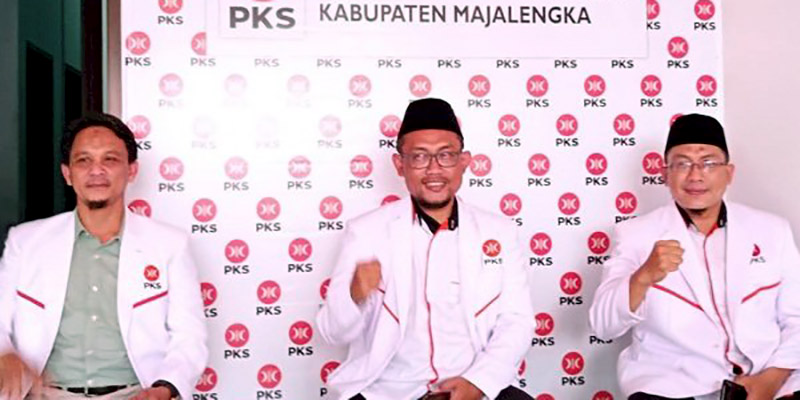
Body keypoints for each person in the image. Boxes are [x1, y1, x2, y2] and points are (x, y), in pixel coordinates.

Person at [317, 98, 534, 400]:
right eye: (419, 157)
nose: (434, 169)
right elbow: (332, 331)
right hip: (387, 391)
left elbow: (517, 321)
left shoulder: (499, 231)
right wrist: (353, 296)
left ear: (464, 161)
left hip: (474, 386)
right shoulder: (366, 232)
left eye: (446, 156)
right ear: (400, 165)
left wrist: (477, 383)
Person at [589, 114, 800, 400]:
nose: (696, 176)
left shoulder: (772, 230)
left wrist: (771, 380)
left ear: (729, 173)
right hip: (672, 387)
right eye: (682, 164)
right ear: (665, 174)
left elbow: (796, 318)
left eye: (709, 163)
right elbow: (602, 326)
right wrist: (643, 276)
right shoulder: (635, 234)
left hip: (767, 381)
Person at [0, 113, 208, 399]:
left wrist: (165, 388)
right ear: (67, 174)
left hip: (135, 394)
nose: (96, 170)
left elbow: (189, 336)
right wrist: (5, 356)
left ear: (132, 170)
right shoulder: (25, 242)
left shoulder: (170, 244)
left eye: (110, 159)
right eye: (83, 160)